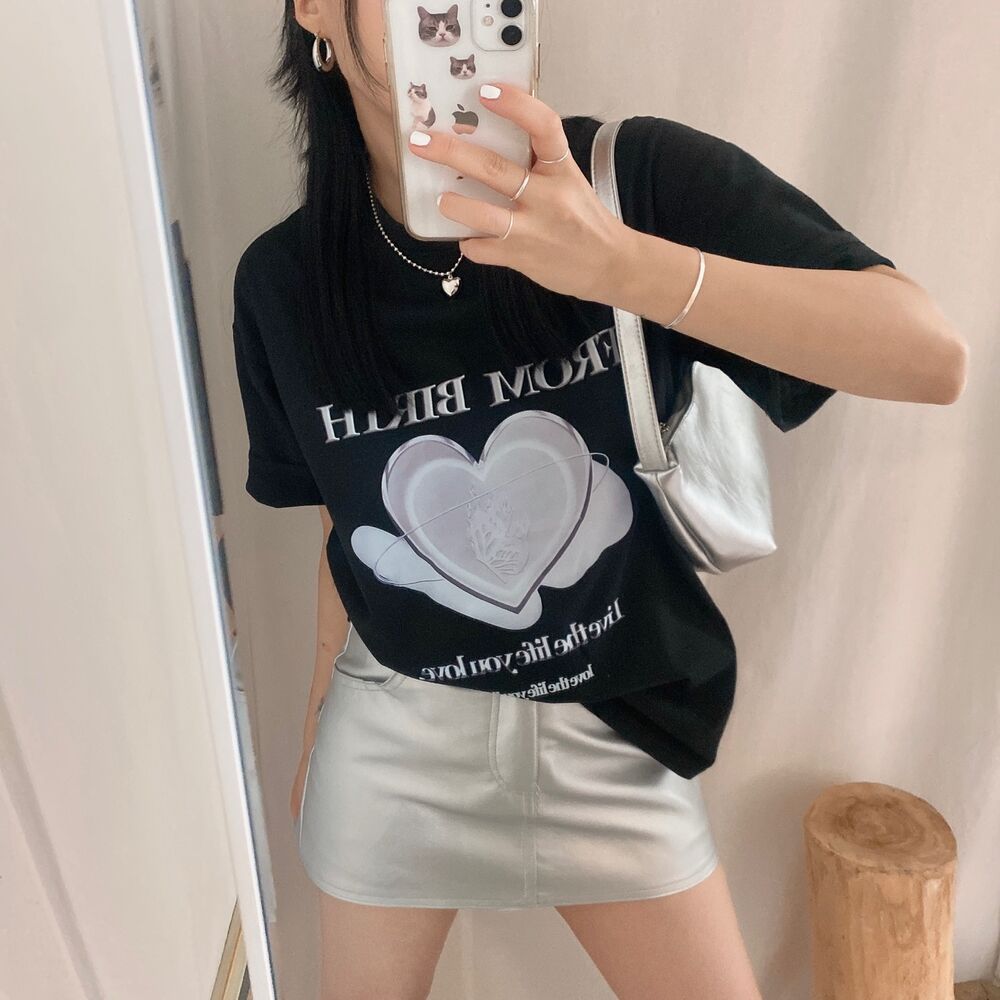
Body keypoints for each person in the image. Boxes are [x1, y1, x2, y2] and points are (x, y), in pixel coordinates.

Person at [232, 2, 967, 997]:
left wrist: (620, 265)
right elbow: (346, 523)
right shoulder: (282, 283)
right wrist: (320, 716)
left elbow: (928, 354)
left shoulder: (630, 182)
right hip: (394, 745)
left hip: (614, 736)